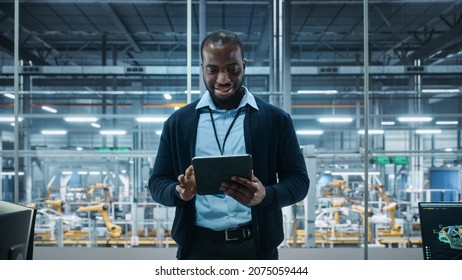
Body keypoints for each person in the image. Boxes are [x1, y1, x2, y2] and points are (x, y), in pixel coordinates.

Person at [148, 29, 309, 260]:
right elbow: (157, 182)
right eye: (213, 70)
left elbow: (299, 182)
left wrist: (266, 195)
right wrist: (180, 192)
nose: (223, 80)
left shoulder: (275, 120)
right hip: (197, 248)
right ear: (202, 67)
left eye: (232, 69)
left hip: (256, 248)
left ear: (243, 65)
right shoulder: (178, 123)